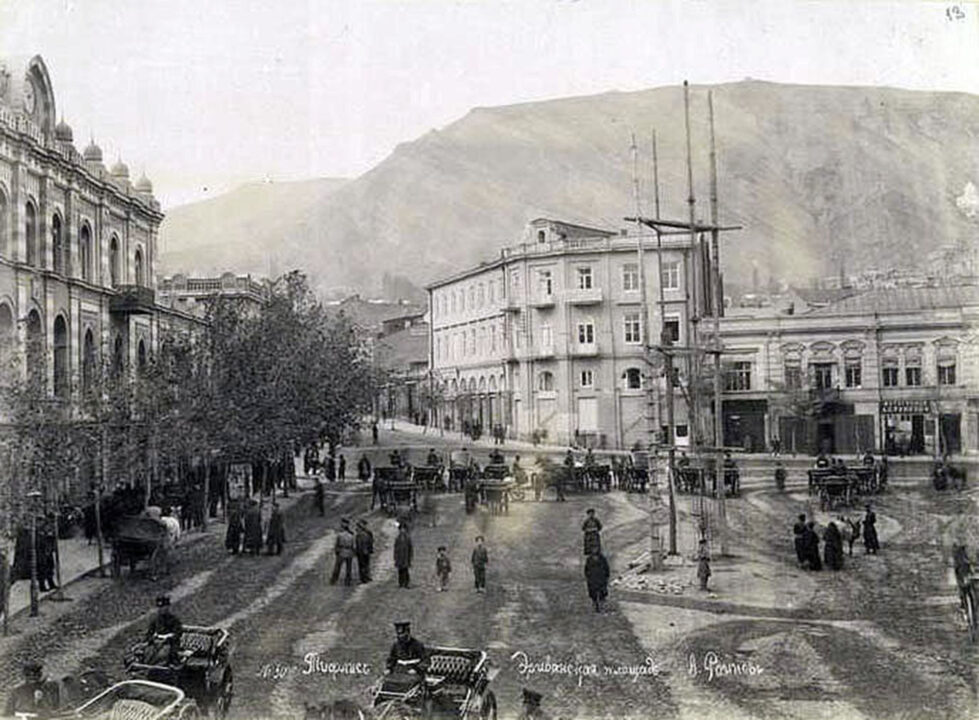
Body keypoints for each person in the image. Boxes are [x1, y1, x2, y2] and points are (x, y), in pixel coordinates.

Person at [145, 595, 183, 665]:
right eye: (160, 607)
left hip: (170, 643)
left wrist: (168, 637)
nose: (162, 609)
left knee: (167, 653)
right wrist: (152, 638)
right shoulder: (155, 620)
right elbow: (149, 633)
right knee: (147, 652)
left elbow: (178, 633)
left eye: (164, 607)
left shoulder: (174, 620)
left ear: (168, 607)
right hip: (156, 643)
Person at [331, 518, 355, 585]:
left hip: (342, 552)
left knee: (337, 567)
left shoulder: (340, 535)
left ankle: (334, 580)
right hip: (349, 552)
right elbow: (353, 545)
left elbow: (337, 544)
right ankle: (348, 581)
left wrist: (336, 551)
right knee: (348, 568)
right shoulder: (351, 535)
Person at [394, 522, 413, 588]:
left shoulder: (408, 538)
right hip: (399, 557)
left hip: (405, 557)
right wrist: (395, 557)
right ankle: (401, 583)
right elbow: (395, 549)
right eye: (401, 529)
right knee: (400, 571)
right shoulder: (397, 539)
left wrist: (410, 557)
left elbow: (410, 548)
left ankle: (406, 583)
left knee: (406, 570)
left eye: (403, 529)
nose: (402, 531)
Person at [355, 519, 374, 583]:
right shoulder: (367, 533)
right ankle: (366, 577)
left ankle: (364, 578)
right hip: (365, 551)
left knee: (363, 565)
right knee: (366, 565)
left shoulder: (362, 534)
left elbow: (370, 542)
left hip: (362, 552)